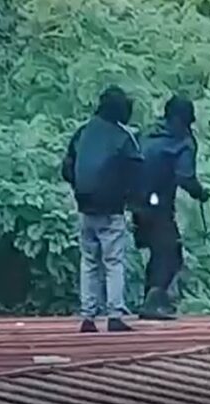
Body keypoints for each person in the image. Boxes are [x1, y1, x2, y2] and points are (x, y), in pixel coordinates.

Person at [62, 85, 143, 333]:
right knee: (113, 261)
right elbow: (136, 171)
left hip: (85, 209)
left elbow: (67, 168)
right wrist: (131, 201)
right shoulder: (122, 137)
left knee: (89, 262)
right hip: (111, 210)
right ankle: (115, 315)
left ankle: (88, 318)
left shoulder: (82, 133)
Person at [132, 95, 210, 320]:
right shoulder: (183, 141)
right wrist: (200, 193)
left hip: (135, 203)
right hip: (160, 205)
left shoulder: (145, 134)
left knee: (159, 252)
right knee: (170, 255)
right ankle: (154, 304)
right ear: (185, 120)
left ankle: (151, 299)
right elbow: (185, 177)